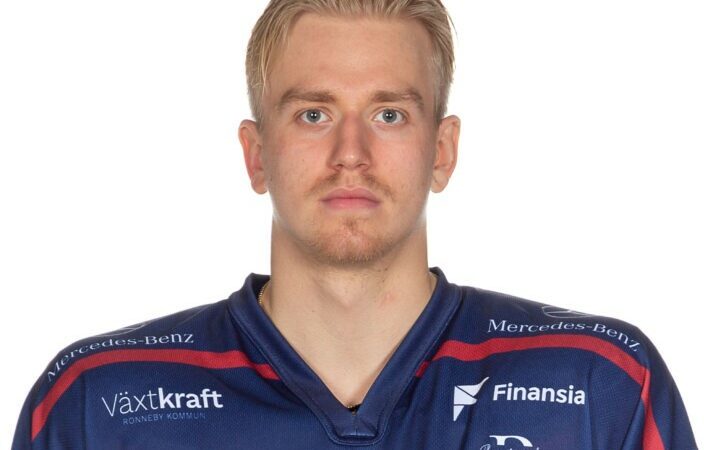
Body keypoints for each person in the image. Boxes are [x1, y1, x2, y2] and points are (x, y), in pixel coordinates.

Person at [11, 0, 698, 449]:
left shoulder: (600, 385)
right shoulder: (97, 403)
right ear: (256, 155)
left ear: (442, 151)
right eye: (313, 114)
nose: (350, 154)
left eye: (388, 114)